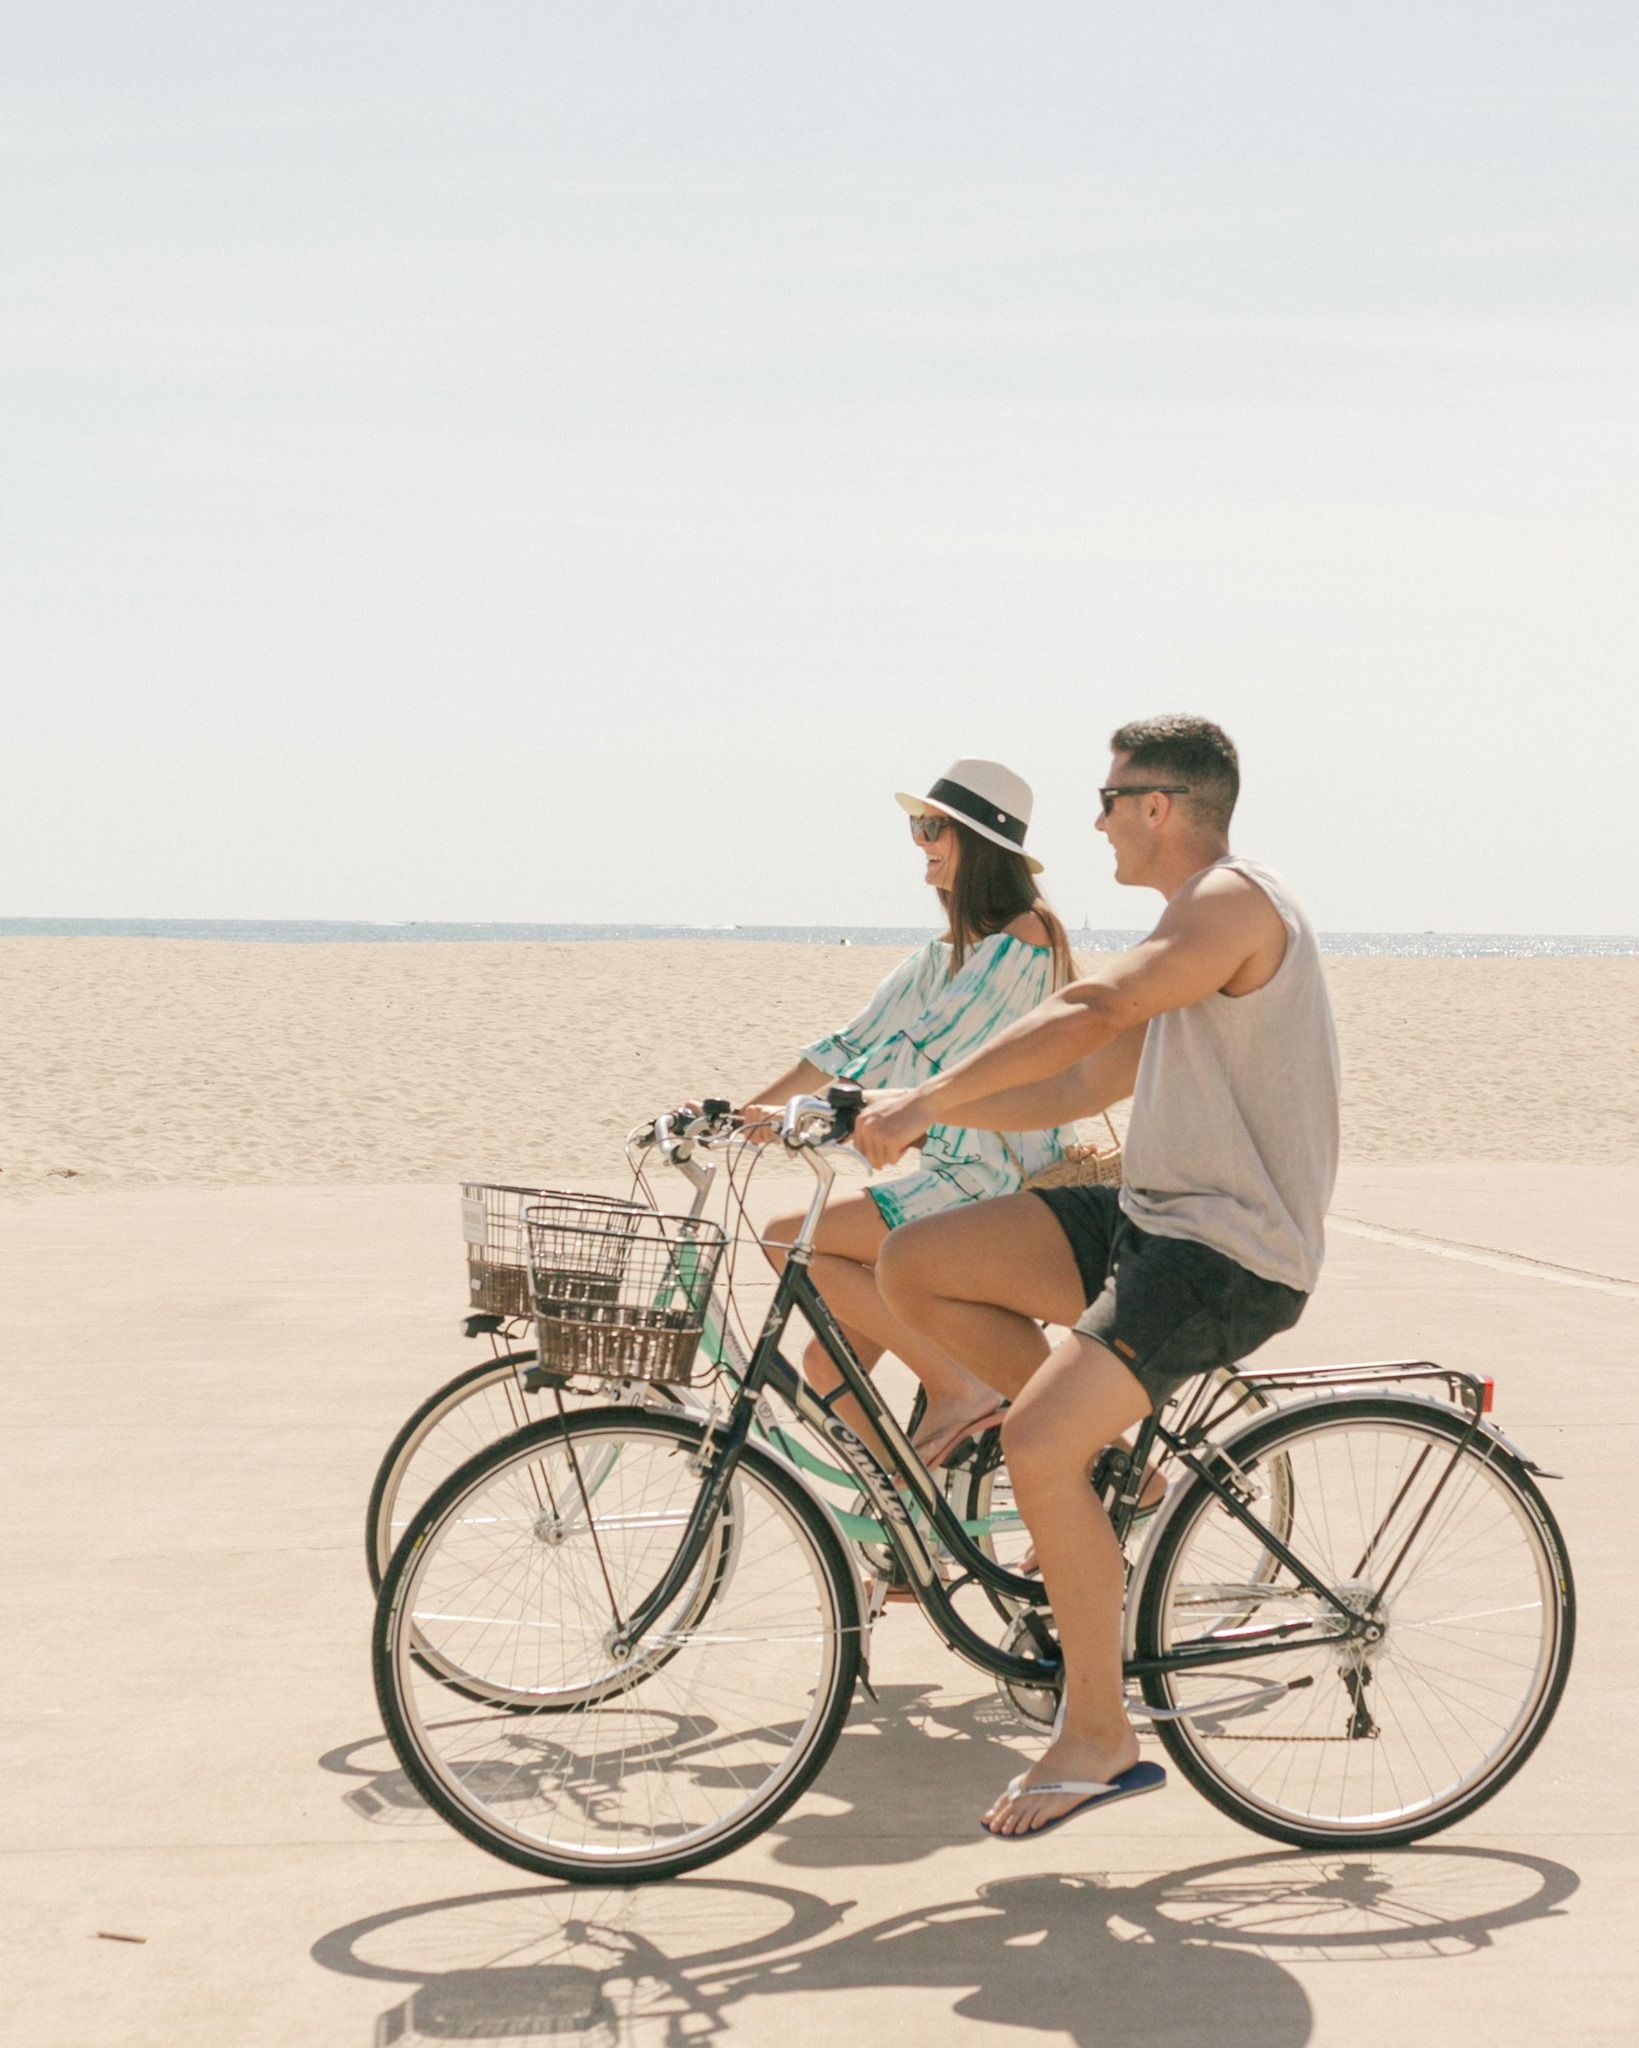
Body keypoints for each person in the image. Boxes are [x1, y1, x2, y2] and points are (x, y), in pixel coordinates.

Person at [857, 715, 1340, 1838]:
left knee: (1032, 1443)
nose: (1095, 817)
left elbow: (1092, 1007)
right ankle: (1106, 1463)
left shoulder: (1231, 902)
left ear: (1161, 805)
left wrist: (925, 1098)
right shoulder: (1188, 928)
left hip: (1224, 1248)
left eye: (1110, 796)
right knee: (916, 1260)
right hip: (1148, 1216)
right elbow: (1086, 1076)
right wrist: (919, 1118)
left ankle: (1097, 1732)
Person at [744, 758, 1078, 1466]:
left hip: (996, 1182)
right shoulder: (944, 953)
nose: (918, 840)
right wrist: (750, 1108)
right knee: (827, 1367)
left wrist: (817, 1112)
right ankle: (912, 1513)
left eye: (931, 827)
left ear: (977, 841)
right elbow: (853, 1042)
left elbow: (929, 1049)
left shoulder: (1028, 936)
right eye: (916, 825)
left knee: (784, 1239)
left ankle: (957, 1387)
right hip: (949, 1176)